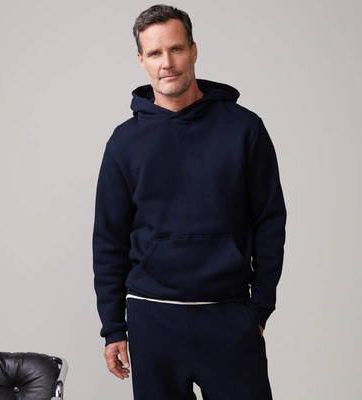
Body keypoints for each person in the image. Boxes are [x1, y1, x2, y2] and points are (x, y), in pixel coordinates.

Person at [93, 4, 286, 400]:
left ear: (194, 51)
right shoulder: (124, 142)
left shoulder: (244, 129)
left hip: (229, 313)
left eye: (176, 49)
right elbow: (109, 238)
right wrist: (113, 327)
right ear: (141, 61)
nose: (167, 63)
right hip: (152, 317)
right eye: (155, 53)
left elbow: (269, 220)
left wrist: (260, 307)